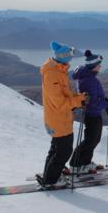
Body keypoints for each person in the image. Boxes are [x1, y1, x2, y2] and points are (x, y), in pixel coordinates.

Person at [37, 41, 87, 188]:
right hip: (58, 119)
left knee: (56, 149)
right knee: (63, 152)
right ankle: (51, 180)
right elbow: (59, 102)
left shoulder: (59, 70)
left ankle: (50, 174)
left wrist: (79, 98)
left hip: (61, 118)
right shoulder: (53, 74)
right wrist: (79, 101)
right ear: (63, 56)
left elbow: (65, 95)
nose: (72, 56)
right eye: (70, 54)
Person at [69, 49, 108, 173]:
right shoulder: (90, 80)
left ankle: (85, 163)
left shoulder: (87, 77)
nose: (100, 66)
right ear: (93, 66)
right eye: (99, 65)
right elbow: (92, 101)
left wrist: (105, 100)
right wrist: (107, 104)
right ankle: (76, 165)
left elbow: (93, 97)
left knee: (93, 139)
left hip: (93, 113)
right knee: (90, 140)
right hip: (92, 114)